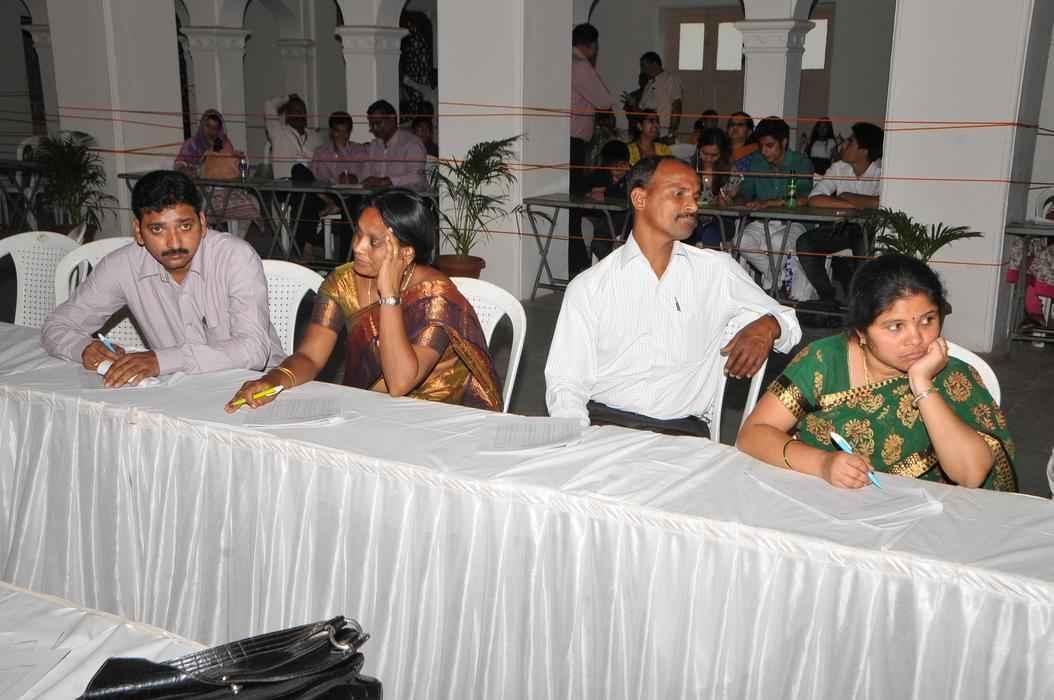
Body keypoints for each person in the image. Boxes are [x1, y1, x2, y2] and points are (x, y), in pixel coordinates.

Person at [545, 156, 802, 437]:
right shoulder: (590, 286)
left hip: (680, 432)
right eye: (679, 194)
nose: (693, 206)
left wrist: (768, 326)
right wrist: (577, 440)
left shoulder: (715, 271)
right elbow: (565, 383)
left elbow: (789, 322)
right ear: (640, 199)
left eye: (695, 196)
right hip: (604, 424)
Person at [737, 254, 1016, 491]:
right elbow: (753, 434)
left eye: (927, 320)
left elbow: (971, 475)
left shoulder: (953, 377)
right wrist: (822, 463)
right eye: (895, 326)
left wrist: (922, 384)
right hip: (830, 500)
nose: (916, 339)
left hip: (924, 511)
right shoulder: (825, 361)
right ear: (861, 331)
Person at [226, 189, 502, 413]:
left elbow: (400, 383)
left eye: (374, 241)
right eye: (358, 233)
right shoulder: (342, 282)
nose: (357, 246)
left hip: (437, 414)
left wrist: (390, 296)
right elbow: (310, 356)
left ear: (405, 254)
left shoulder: (435, 298)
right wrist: (274, 380)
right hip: (373, 407)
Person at [42, 170, 284, 387]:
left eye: (185, 226)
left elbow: (253, 350)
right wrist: (84, 348)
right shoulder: (122, 266)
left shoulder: (234, 257)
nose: (174, 243)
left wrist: (162, 361)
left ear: (202, 222)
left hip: (255, 386)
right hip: (176, 390)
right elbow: (57, 326)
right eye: (157, 229)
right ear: (139, 231)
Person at [796, 122, 884, 309]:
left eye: (850, 142)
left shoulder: (882, 172)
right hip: (841, 228)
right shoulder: (839, 168)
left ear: (864, 150)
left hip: (870, 232)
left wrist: (848, 197)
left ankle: (861, 302)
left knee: (863, 242)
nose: (843, 145)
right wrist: (850, 204)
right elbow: (815, 199)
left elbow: (883, 202)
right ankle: (828, 296)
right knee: (805, 243)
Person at [735, 116, 814, 297]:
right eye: (761, 146)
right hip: (763, 221)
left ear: (784, 142)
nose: (764, 151)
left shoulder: (801, 162)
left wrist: (769, 203)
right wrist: (734, 198)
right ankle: (777, 279)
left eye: (769, 146)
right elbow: (746, 193)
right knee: (741, 241)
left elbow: (803, 198)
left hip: (794, 222)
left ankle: (772, 287)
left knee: (778, 242)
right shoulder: (757, 161)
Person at [570, 23, 616, 278]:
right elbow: (604, 100)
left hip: (565, 139)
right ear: (592, 45)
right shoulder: (581, 65)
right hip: (574, 142)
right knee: (574, 205)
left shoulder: (564, 61)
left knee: (574, 205)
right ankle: (576, 263)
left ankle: (575, 260)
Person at [174, 109, 259, 229]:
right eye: (208, 126)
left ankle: (236, 238)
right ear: (202, 125)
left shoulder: (225, 144)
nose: (211, 131)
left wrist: (236, 160)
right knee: (201, 203)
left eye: (215, 128)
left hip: (226, 190)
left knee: (253, 202)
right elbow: (179, 167)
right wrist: (193, 170)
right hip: (201, 190)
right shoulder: (191, 144)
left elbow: (231, 169)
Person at [359, 100, 427, 190]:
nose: (374, 128)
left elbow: (418, 177)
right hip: (375, 196)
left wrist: (389, 181)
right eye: (371, 124)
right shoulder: (374, 146)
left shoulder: (411, 143)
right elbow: (364, 176)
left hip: (404, 196)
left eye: (378, 123)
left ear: (392, 118)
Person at [583, 139, 631, 260]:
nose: (620, 169)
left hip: (624, 220)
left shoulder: (632, 176)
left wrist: (606, 193)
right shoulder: (600, 174)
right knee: (599, 242)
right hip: (600, 219)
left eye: (623, 164)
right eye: (615, 165)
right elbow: (590, 193)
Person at [690, 127, 733, 248]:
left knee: (710, 234)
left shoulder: (731, 173)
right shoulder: (688, 170)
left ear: (723, 153)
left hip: (721, 221)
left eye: (714, 155)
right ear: (698, 149)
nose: (708, 159)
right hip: (695, 218)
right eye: (705, 153)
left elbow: (736, 200)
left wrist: (727, 202)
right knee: (690, 229)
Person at [264, 93, 314, 180]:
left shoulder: (314, 136)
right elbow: (269, 105)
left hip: (310, 186)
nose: (300, 114)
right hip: (285, 186)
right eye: (296, 111)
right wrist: (288, 97)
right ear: (287, 115)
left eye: (302, 111)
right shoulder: (278, 132)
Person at [311, 111, 366, 185]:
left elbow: (366, 175)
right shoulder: (320, 153)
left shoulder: (359, 150)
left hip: (356, 191)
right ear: (331, 131)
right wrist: (338, 180)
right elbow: (317, 179)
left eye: (346, 132)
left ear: (350, 131)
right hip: (329, 191)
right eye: (337, 131)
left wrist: (355, 179)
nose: (342, 136)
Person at [638, 51, 682, 143]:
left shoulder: (670, 79)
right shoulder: (648, 84)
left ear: (654, 64)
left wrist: (671, 133)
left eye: (644, 66)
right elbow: (642, 110)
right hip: (648, 134)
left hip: (663, 134)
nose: (643, 70)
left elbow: (677, 105)